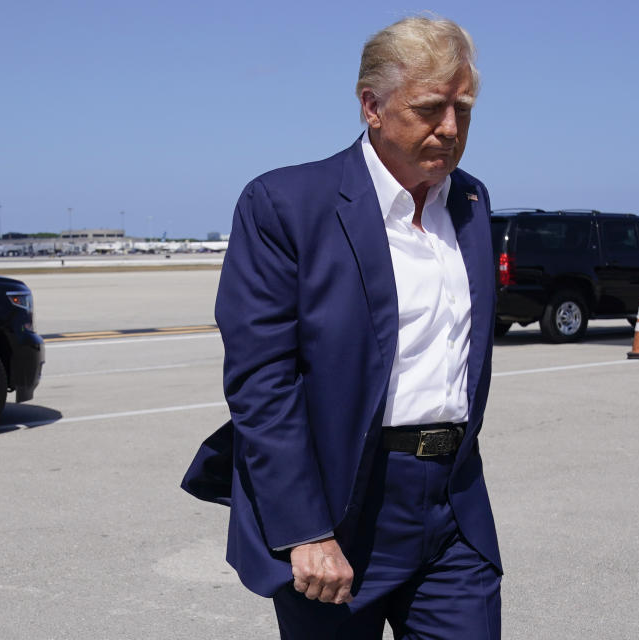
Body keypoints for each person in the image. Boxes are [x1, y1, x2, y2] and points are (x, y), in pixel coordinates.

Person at [181, 16, 501, 639]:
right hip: (339, 507)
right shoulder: (286, 204)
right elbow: (261, 382)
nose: (452, 128)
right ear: (371, 107)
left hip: (450, 503)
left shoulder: (470, 202)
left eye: (463, 108)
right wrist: (305, 530)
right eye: (430, 108)